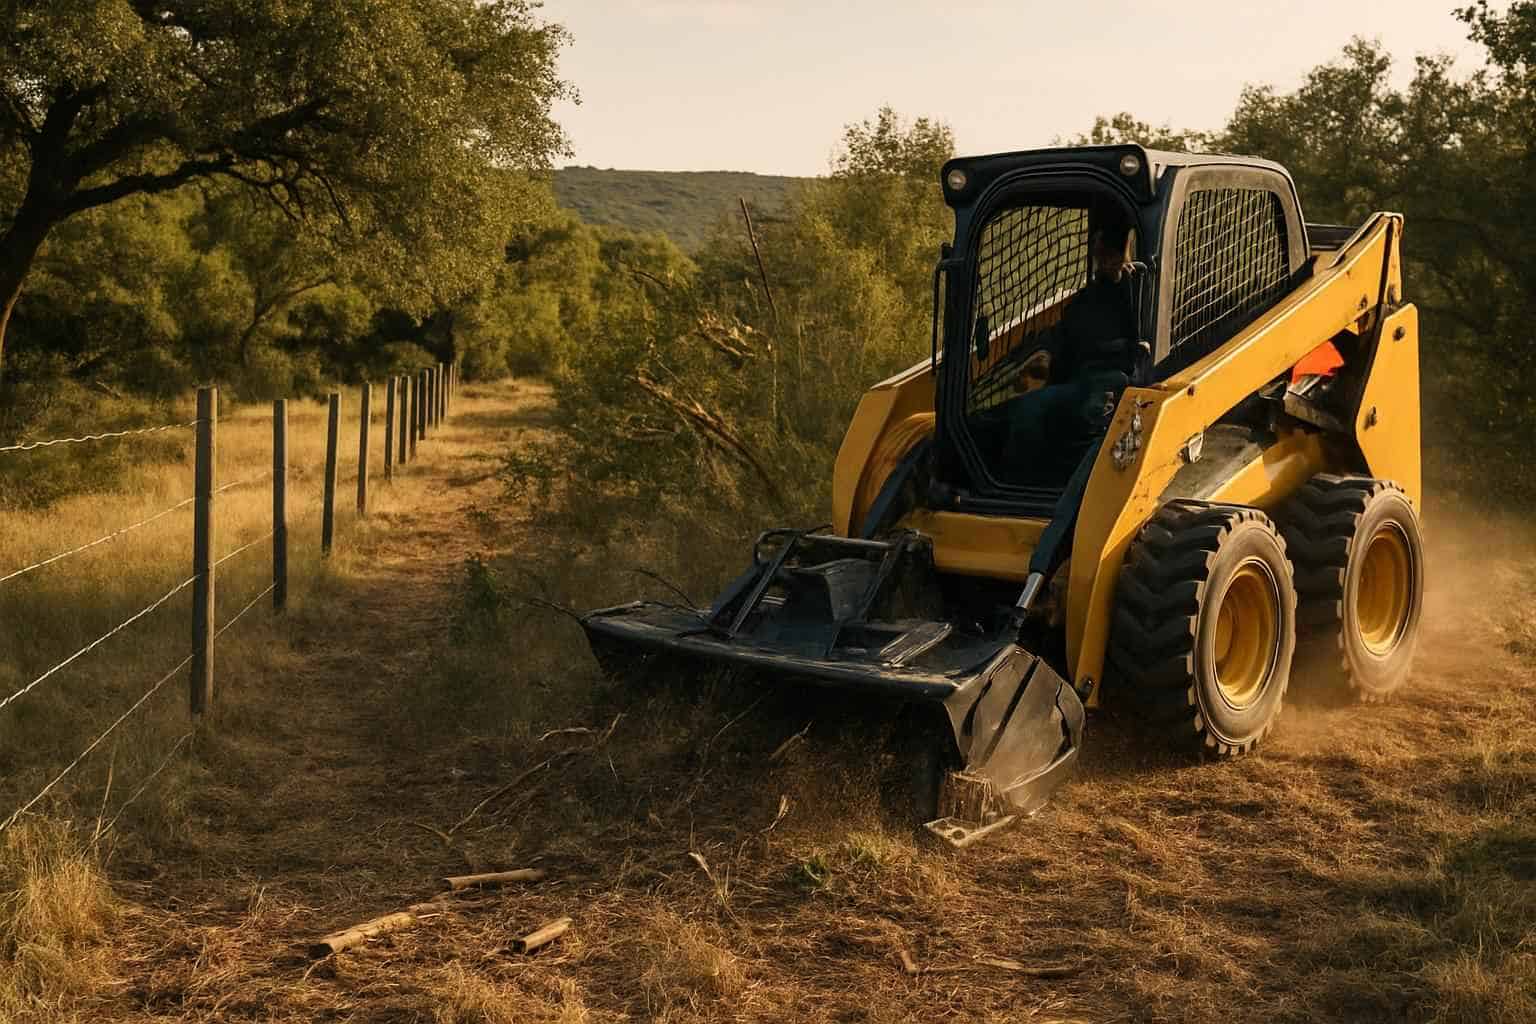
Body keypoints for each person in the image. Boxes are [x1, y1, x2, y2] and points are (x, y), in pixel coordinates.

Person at [978, 207, 1140, 485]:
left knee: (1094, 410)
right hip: (1081, 380)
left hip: (1119, 381)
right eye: (1098, 254)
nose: (1102, 260)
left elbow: (1141, 342)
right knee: (1029, 408)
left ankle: (1092, 486)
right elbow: (1064, 343)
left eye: (1109, 255)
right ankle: (1015, 484)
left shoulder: (1137, 292)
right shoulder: (1084, 301)